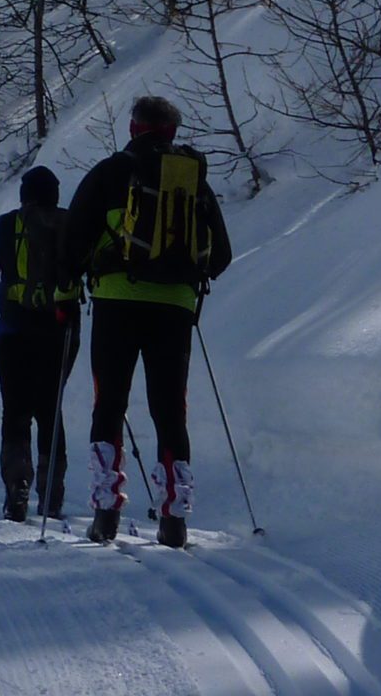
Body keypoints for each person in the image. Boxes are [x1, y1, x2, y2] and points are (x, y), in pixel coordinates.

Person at [61, 94, 232, 548]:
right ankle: (174, 519)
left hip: (116, 301)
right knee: (170, 411)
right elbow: (221, 257)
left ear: (134, 128)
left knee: (110, 404)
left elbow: (71, 241)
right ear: (172, 132)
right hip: (175, 307)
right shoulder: (193, 180)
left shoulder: (111, 171)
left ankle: (105, 513)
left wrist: (74, 278)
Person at [0, 166, 83, 523]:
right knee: (50, 409)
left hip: (14, 333)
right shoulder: (72, 225)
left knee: (16, 410)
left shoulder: (7, 225)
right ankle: (52, 496)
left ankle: (17, 488)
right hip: (62, 332)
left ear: (25, 194)